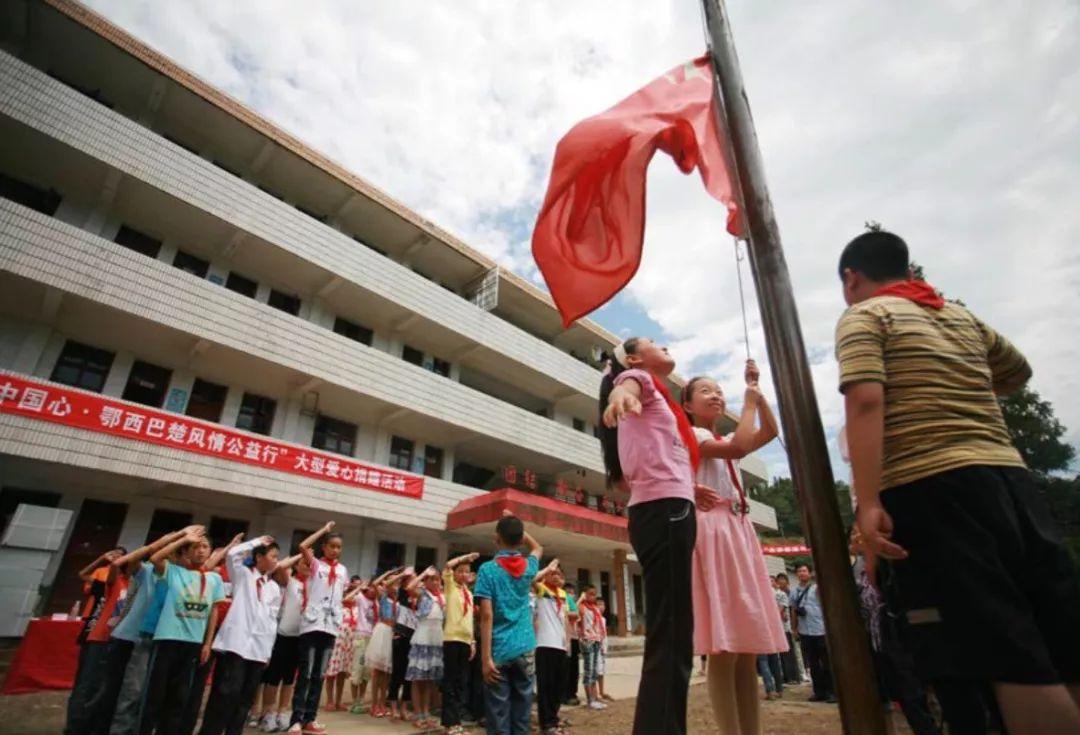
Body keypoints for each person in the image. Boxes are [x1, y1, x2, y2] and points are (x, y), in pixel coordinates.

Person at [836, 229, 1080, 733]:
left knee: (1005, 650)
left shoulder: (865, 315)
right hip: (1011, 480)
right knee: (1061, 640)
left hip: (934, 486)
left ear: (851, 277)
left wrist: (867, 500)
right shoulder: (957, 315)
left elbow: (865, 400)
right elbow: (1017, 370)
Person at [680, 364, 787, 732]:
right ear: (688, 405)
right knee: (724, 649)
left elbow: (770, 431)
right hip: (714, 532)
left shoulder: (724, 439)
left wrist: (757, 393)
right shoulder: (693, 433)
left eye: (718, 390)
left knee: (747, 649)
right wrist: (748, 404)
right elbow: (742, 444)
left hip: (739, 531)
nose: (716, 395)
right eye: (706, 391)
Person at [600, 337, 698, 735]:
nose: (665, 344)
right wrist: (620, 396)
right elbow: (627, 386)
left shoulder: (659, 402)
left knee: (670, 633)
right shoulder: (638, 377)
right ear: (637, 358)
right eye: (655, 342)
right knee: (673, 635)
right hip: (666, 510)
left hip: (663, 507)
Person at [88, 528, 203, 735]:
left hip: (158, 640)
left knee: (143, 693)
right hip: (128, 638)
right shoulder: (149, 569)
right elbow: (125, 562)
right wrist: (173, 538)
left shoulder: (183, 577)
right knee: (119, 693)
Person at [198, 537, 293, 735]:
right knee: (224, 694)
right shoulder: (243, 575)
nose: (276, 561)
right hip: (235, 646)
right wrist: (257, 541)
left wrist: (267, 652)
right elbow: (233, 554)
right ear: (259, 557)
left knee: (245, 700)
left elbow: (271, 621)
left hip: (257, 651)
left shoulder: (273, 587)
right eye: (273, 556)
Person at [140, 527, 226, 735]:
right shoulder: (173, 571)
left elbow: (213, 612)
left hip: (193, 643)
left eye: (205, 547)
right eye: (195, 547)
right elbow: (155, 558)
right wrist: (182, 538)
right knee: (155, 694)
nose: (201, 551)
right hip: (167, 639)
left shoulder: (214, 579)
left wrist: (207, 643)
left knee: (179, 698)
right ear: (186, 552)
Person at [474, 511, 548, 735]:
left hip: (499, 648)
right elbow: (538, 548)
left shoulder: (487, 570)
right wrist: (518, 528)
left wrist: (486, 658)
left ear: (497, 538)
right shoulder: (528, 567)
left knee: (498, 715)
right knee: (522, 713)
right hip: (525, 646)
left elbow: (486, 616)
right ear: (519, 539)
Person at [288, 522, 346, 735]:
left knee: (319, 675)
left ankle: (310, 718)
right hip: (312, 625)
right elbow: (303, 545)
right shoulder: (316, 565)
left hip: (330, 626)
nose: (335, 550)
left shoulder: (342, 570)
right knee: (306, 673)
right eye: (331, 546)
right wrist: (323, 530)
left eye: (339, 547)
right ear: (324, 547)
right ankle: (296, 719)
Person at [66, 547, 125, 735]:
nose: (116, 557)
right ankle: (75, 726)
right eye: (115, 554)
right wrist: (101, 558)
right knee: (87, 681)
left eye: (121, 556)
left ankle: (92, 724)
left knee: (102, 683)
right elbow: (83, 575)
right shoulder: (107, 578)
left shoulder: (131, 582)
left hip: (114, 637)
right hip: (95, 628)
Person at [253, 554, 306, 732]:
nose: (308, 566)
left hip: (301, 637)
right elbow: (279, 567)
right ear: (297, 566)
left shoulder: (315, 585)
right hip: (283, 635)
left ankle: (282, 712)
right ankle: (267, 712)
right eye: (304, 564)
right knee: (274, 677)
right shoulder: (291, 582)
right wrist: (301, 553)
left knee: (290, 678)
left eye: (309, 564)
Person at [442, 552, 480, 735]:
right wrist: (465, 557)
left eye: (467, 572)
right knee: (450, 681)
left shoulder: (468, 594)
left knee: (460, 682)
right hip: (451, 639)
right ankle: (449, 723)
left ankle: (457, 721)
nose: (464, 574)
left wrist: (472, 641)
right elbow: (448, 565)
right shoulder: (450, 587)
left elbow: (470, 619)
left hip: (465, 640)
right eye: (461, 571)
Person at [405, 567, 446, 729]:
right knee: (418, 678)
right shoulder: (422, 594)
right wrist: (422, 574)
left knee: (429, 680)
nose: (435, 582)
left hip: (437, 638)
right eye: (432, 579)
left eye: (437, 579)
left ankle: (426, 712)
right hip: (423, 636)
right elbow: (409, 588)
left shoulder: (442, 597)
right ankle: (418, 713)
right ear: (426, 582)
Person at [532, 565, 570, 735]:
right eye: (552, 574)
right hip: (545, 644)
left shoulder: (563, 595)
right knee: (545, 686)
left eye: (559, 575)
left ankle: (554, 718)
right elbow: (531, 580)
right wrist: (547, 568)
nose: (556, 577)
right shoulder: (541, 590)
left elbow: (566, 620)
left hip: (560, 646)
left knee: (558, 686)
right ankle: (546, 724)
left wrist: (567, 642)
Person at [364, 567, 406, 719]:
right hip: (382, 631)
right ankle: (374, 704)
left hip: (392, 634)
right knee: (378, 672)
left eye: (398, 582)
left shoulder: (399, 601)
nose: (396, 584)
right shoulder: (383, 596)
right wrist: (393, 573)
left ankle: (382, 703)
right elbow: (376, 583)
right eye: (394, 582)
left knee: (387, 673)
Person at [791, 564, 834, 703]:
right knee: (813, 664)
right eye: (799, 571)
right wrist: (794, 628)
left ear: (809, 573)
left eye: (804, 571)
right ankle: (818, 692)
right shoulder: (794, 591)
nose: (801, 573)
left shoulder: (817, 589)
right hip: (805, 631)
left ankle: (832, 692)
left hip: (820, 629)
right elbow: (793, 611)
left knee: (826, 662)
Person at [323, 576, 362, 712]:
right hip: (338, 641)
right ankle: (329, 700)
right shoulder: (340, 604)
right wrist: (356, 588)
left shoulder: (357, 608)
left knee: (342, 673)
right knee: (332, 672)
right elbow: (344, 599)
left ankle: (339, 701)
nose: (354, 595)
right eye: (352, 591)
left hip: (350, 642)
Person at [387, 571, 419, 721]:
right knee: (397, 673)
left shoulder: (419, 598)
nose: (417, 582)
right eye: (413, 580)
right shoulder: (402, 593)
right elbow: (389, 584)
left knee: (408, 676)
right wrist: (401, 575)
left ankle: (404, 708)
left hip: (414, 638)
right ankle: (393, 707)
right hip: (400, 636)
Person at [347, 578, 376, 715]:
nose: (373, 590)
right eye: (370, 588)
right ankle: (354, 701)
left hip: (372, 636)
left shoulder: (376, 602)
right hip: (361, 635)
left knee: (366, 672)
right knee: (357, 670)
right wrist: (360, 588)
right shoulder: (360, 598)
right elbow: (347, 599)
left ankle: (361, 700)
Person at [577, 586, 606, 711]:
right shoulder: (582, 607)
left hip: (596, 640)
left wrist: (600, 639)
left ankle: (594, 698)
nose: (592, 597)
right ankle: (589, 700)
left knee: (594, 670)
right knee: (588, 671)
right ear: (585, 594)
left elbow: (599, 625)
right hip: (587, 640)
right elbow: (572, 610)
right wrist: (580, 599)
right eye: (590, 594)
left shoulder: (595, 609)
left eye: (594, 594)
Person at [774, 574, 801, 685]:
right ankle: (786, 676)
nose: (781, 581)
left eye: (783, 579)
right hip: (779, 627)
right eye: (778, 580)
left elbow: (784, 610)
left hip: (787, 627)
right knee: (783, 653)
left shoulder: (785, 594)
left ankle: (794, 676)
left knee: (790, 652)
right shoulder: (776, 594)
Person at [561, 582, 582, 707]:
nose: (571, 594)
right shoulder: (560, 599)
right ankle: (565, 694)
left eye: (572, 592)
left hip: (574, 637)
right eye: (569, 592)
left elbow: (576, 615)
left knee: (574, 667)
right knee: (566, 667)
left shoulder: (571, 601)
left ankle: (572, 693)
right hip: (564, 637)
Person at [595, 598, 613, 703]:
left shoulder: (603, 619)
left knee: (601, 671)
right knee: (596, 671)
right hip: (596, 646)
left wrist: (605, 647)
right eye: (598, 604)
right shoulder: (594, 618)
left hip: (603, 648)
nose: (600, 607)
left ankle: (601, 691)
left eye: (602, 604)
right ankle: (596, 693)